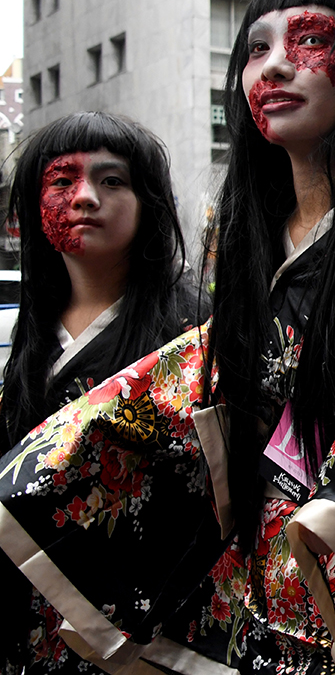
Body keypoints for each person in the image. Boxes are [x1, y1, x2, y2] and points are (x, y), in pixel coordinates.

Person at [0, 0, 335, 674]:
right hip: (253, 588)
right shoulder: (243, 231)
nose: (273, 64)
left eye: (310, 40)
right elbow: (208, 382)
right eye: (255, 48)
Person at [0, 111, 205, 673]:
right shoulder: (34, 334)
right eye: (61, 181)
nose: (84, 197)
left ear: (149, 204)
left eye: (112, 181)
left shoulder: (194, 331)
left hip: (146, 636)